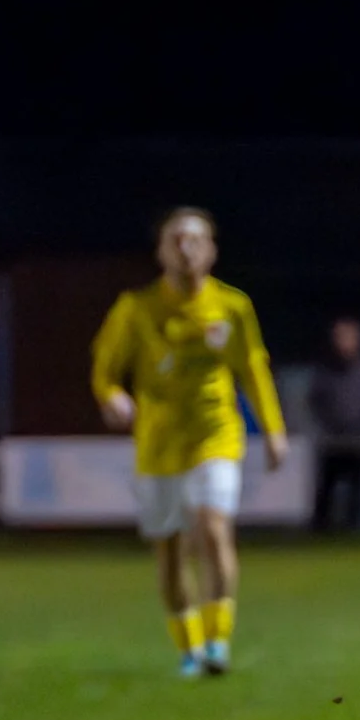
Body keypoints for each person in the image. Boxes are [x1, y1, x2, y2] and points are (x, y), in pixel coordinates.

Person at [90, 207, 288, 676]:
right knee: (171, 548)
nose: (186, 248)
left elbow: (252, 369)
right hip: (158, 445)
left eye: (195, 239)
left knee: (214, 527)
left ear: (212, 250)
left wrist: (274, 429)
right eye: (176, 240)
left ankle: (218, 642)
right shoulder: (135, 309)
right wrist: (111, 395)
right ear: (160, 251)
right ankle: (189, 647)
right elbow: (104, 367)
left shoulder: (232, 306)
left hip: (216, 434)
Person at [308, 317, 360, 531]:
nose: (342, 342)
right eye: (338, 337)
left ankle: (354, 531)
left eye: (347, 337)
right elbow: (315, 401)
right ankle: (320, 533)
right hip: (333, 441)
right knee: (326, 490)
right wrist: (333, 423)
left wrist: (359, 425)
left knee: (357, 489)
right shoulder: (325, 371)